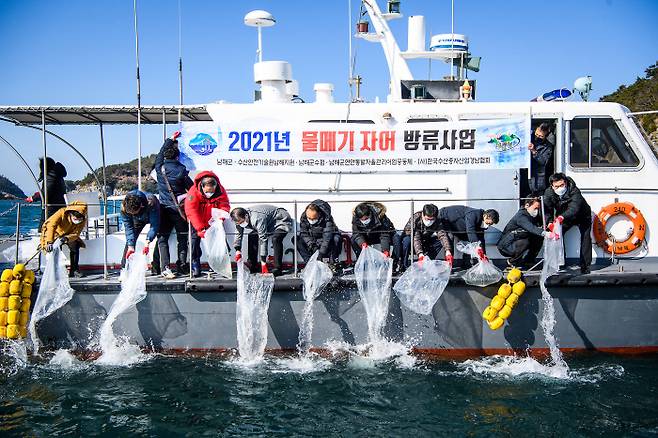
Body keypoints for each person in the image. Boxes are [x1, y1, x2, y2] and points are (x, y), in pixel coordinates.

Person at [154, 131, 194, 279]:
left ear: (165, 156)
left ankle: (164, 267)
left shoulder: (160, 168)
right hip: (179, 210)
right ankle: (182, 264)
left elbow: (159, 154)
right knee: (182, 237)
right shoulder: (181, 170)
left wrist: (170, 139)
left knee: (163, 238)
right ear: (178, 157)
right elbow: (191, 189)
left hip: (163, 209)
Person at [543, 172, 592, 274]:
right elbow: (547, 209)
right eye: (556, 186)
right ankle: (561, 262)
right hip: (565, 218)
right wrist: (550, 222)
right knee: (558, 235)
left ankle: (585, 265)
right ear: (552, 186)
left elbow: (575, 208)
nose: (559, 188)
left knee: (586, 236)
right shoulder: (549, 193)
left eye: (561, 185)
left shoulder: (574, 190)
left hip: (582, 215)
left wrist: (561, 217)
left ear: (565, 182)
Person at [185, 171, 231, 277]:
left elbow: (225, 205)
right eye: (207, 191)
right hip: (197, 222)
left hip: (213, 221)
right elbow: (191, 210)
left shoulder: (220, 190)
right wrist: (200, 228)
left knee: (221, 243)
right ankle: (195, 265)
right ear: (202, 186)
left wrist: (220, 219)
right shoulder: (193, 192)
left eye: (212, 191)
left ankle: (218, 265)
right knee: (193, 244)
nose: (209, 193)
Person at [231, 205, 293, 277]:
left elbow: (263, 239)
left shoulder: (257, 218)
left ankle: (278, 268)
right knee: (252, 235)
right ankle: (254, 265)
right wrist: (237, 250)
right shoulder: (238, 220)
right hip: (268, 223)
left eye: (242, 222)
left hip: (281, 219)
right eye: (238, 223)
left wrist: (263, 262)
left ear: (246, 215)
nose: (241, 224)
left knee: (276, 239)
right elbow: (238, 233)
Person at [497, 198, 552, 268]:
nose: (537, 211)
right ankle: (512, 261)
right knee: (525, 242)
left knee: (538, 238)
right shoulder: (521, 216)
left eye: (538, 209)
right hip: (506, 246)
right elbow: (531, 228)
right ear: (527, 205)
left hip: (517, 239)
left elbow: (544, 216)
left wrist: (550, 223)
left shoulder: (530, 215)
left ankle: (528, 261)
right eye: (535, 208)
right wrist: (547, 233)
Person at [397, 203, 453, 270]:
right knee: (407, 240)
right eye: (427, 219)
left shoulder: (437, 220)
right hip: (412, 242)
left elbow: (442, 234)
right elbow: (416, 238)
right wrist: (420, 254)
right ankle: (403, 265)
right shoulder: (416, 219)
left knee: (440, 240)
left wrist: (448, 250)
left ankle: (427, 261)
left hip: (425, 240)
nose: (429, 222)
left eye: (432, 220)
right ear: (423, 214)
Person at [40, 201, 88, 278]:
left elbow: (76, 234)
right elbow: (51, 225)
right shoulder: (61, 212)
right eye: (75, 219)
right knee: (55, 249)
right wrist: (49, 241)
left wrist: (66, 238)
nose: (77, 221)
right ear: (71, 214)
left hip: (69, 235)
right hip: (56, 234)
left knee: (75, 246)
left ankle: (74, 270)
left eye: (79, 219)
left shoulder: (82, 220)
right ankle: (55, 271)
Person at [121, 190, 160, 267]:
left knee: (161, 237)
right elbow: (129, 228)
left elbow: (154, 225)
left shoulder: (151, 202)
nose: (133, 214)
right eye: (131, 213)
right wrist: (131, 246)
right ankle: (124, 268)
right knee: (130, 241)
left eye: (135, 212)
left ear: (141, 206)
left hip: (153, 214)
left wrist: (148, 241)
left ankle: (156, 266)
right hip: (137, 220)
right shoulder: (124, 208)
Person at [298, 200, 342, 266]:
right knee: (297, 239)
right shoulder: (304, 217)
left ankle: (332, 263)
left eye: (313, 219)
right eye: (309, 218)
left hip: (325, 239)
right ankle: (309, 264)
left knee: (336, 239)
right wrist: (312, 245)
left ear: (319, 214)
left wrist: (321, 253)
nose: (311, 221)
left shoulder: (327, 219)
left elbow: (327, 238)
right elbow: (304, 233)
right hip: (313, 239)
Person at [527, 122, 554, 195]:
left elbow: (543, 161)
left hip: (537, 179)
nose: (537, 137)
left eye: (541, 136)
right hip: (524, 174)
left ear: (546, 136)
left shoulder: (548, 147)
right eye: (536, 134)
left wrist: (534, 151)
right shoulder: (528, 138)